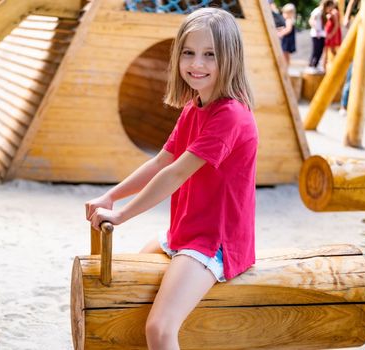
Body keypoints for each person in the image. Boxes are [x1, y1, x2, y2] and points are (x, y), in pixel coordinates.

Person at [85, 7, 258, 350]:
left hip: (215, 244)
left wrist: (121, 216)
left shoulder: (230, 116)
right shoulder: (195, 107)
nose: (198, 64)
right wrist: (112, 196)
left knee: (160, 329)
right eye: (189, 53)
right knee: (129, 287)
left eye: (210, 55)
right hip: (185, 232)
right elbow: (163, 160)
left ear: (230, 58)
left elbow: (176, 173)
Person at [308, 0, 335, 71]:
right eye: (330, 7)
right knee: (316, 50)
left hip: (322, 34)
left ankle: (315, 65)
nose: (331, 9)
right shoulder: (317, 11)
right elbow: (311, 20)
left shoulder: (323, 13)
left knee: (320, 50)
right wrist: (316, 29)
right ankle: (312, 65)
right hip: (316, 34)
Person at [323, 1, 342, 71]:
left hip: (331, 34)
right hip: (330, 33)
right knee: (331, 50)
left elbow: (336, 25)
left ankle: (324, 67)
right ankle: (337, 64)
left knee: (327, 50)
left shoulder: (334, 12)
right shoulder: (332, 12)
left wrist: (331, 34)